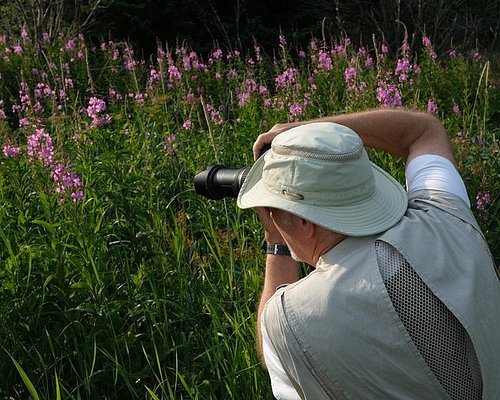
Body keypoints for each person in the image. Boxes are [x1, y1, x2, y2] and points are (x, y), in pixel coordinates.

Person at [236, 109, 500, 400]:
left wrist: (276, 243)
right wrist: (304, 131)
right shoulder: (443, 214)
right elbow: (423, 130)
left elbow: (270, 347)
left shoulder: (290, 319)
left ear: (303, 222)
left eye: (273, 209)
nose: (270, 217)